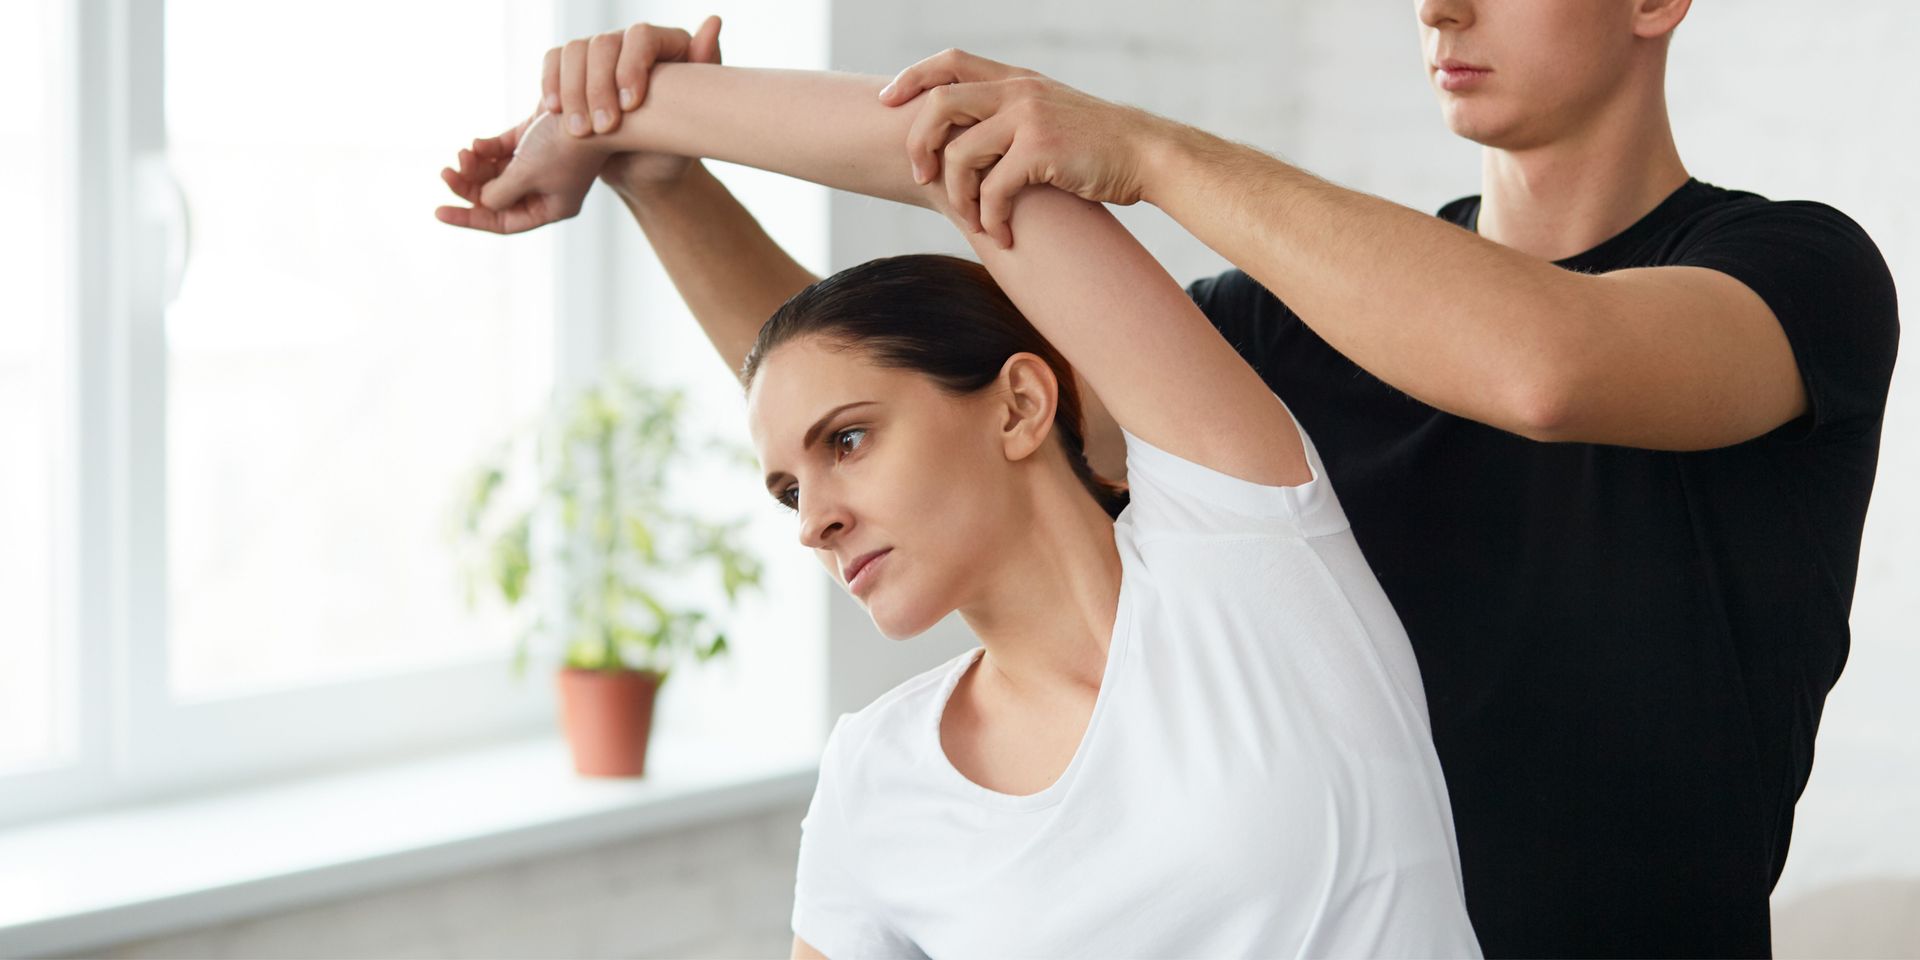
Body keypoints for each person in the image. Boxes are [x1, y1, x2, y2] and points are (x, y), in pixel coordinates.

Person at [444, 2, 1902, 953]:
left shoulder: (1793, 272)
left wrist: (1141, 147)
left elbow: (1545, 368)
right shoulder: (1276, 337)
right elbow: (907, 404)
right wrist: (657, 160)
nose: (1440, 8)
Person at [440, 64, 1488, 957]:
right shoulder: (876, 775)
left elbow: (969, 148)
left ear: (1023, 405)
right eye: (789, 490)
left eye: (847, 441)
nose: (814, 522)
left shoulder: (1247, 552)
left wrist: (627, 103)